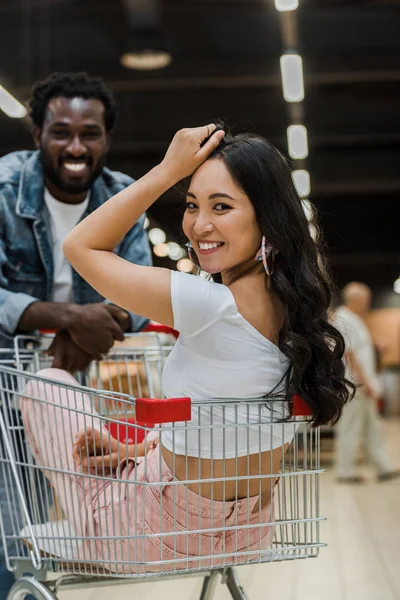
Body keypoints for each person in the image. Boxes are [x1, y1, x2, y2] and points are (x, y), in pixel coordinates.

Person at [21, 124, 354, 570]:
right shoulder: (300, 316)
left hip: (154, 532)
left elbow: (81, 245)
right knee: (147, 439)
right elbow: (227, 415)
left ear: (267, 217)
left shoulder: (210, 304)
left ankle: (94, 528)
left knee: (47, 383)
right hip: (248, 533)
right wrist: (137, 450)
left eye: (222, 206)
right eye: (192, 204)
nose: (199, 225)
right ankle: (128, 473)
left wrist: (165, 172)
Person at [0, 72, 151, 596]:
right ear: (37, 132)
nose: (75, 146)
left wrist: (89, 333)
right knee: (14, 513)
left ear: (107, 137)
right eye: (60, 132)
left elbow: (140, 295)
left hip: (72, 383)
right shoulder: (3, 189)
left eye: (90, 133)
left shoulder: (123, 196)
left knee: (57, 511)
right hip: (7, 370)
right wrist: (71, 319)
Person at [333, 282, 400, 483]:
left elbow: (360, 350)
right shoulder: (343, 319)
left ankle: (384, 466)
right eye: (366, 299)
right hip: (355, 384)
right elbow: (349, 354)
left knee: (373, 426)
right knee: (351, 426)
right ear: (356, 299)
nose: (368, 303)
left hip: (363, 383)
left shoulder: (355, 319)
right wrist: (364, 382)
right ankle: (345, 471)